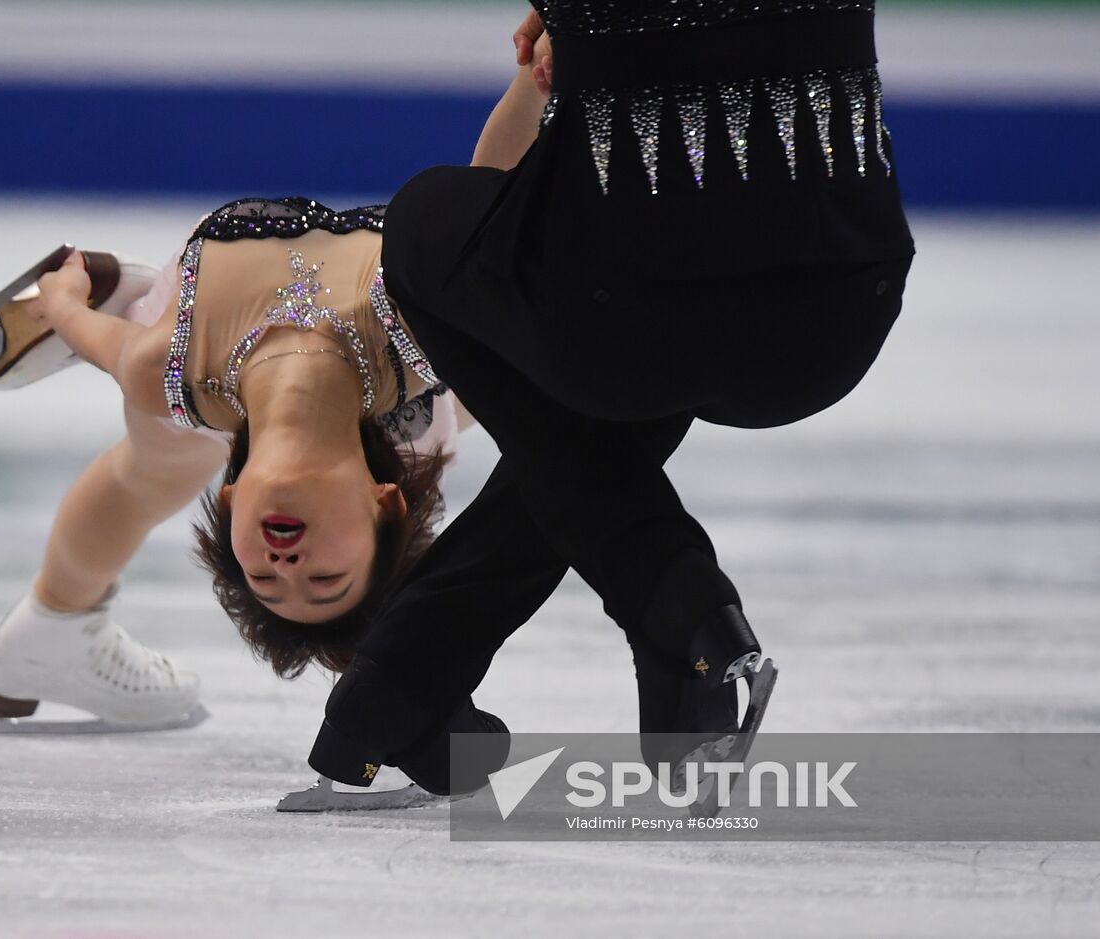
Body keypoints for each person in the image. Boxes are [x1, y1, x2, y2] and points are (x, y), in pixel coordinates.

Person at [303, 0, 916, 796]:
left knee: (425, 228)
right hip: (839, 310)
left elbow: (506, 172)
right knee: (598, 412)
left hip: (623, 318)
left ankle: (676, 608)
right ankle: (403, 689)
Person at [0, 201, 465, 725]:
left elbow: (70, 316)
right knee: (470, 397)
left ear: (230, 500)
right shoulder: (421, 334)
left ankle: (51, 626)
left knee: (153, 473)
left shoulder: (159, 372)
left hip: (196, 358)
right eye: (326, 579)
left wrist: (64, 302)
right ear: (385, 503)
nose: (286, 567)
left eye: (263, 580)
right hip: (410, 382)